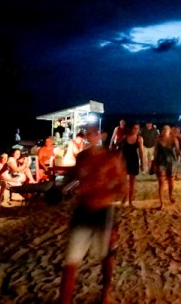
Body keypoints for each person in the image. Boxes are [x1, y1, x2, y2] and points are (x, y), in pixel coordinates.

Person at [59, 126, 128, 304]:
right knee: (71, 260)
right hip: (82, 211)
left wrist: (106, 194)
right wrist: (65, 190)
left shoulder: (111, 157)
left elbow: (122, 185)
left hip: (104, 212)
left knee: (107, 258)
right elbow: (73, 179)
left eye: (94, 133)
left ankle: (105, 294)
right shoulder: (82, 157)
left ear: (101, 136)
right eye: (87, 133)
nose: (90, 136)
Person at [153, 125, 179, 209]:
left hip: (171, 162)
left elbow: (178, 150)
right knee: (161, 182)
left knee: (171, 182)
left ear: (169, 130)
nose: (165, 130)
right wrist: (154, 164)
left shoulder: (173, 139)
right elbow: (156, 153)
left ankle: (170, 195)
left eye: (167, 129)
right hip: (161, 162)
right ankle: (162, 203)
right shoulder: (158, 140)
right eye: (164, 129)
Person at [119, 122, 144, 208]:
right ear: (131, 128)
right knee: (124, 182)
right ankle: (124, 197)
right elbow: (120, 150)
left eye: (137, 128)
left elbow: (141, 152)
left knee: (132, 183)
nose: (135, 130)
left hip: (134, 161)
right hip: (125, 161)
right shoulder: (125, 137)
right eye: (134, 128)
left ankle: (130, 201)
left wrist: (142, 164)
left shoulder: (139, 138)